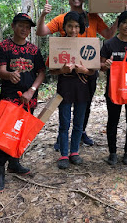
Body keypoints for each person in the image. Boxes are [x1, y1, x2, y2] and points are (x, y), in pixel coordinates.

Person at [36, 0, 118, 147]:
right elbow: (41, 32)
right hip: (68, 71)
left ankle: (81, 132)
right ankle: (62, 137)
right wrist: (43, 15)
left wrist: (120, 17)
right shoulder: (62, 19)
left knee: (85, 104)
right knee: (64, 106)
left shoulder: (93, 17)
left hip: (89, 69)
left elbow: (108, 34)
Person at [0, 13, 45, 193]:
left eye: (27, 27)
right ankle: (0, 170)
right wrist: (9, 75)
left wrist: (32, 90)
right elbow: (1, 71)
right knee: (4, 134)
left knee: (20, 131)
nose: (24, 30)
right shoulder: (4, 46)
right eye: (21, 26)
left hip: (29, 99)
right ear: (13, 26)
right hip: (10, 97)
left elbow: (41, 73)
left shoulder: (33, 50)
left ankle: (14, 163)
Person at [49, 11, 95, 169]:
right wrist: (62, 70)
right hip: (65, 88)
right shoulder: (58, 44)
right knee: (64, 122)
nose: (73, 30)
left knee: (78, 122)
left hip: (82, 88)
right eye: (70, 26)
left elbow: (93, 69)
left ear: (81, 27)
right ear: (64, 27)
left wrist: (85, 70)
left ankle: (74, 152)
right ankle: (63, 153)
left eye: (76, 26)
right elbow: (51, 69)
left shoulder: (87, 44)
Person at [100, 11, 127, 165]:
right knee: (113, 120)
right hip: (114, 89)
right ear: (119, 23)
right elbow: (100, 66)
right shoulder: (109, 44)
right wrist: (105, 65)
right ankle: (112, 152)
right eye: (125, 22)